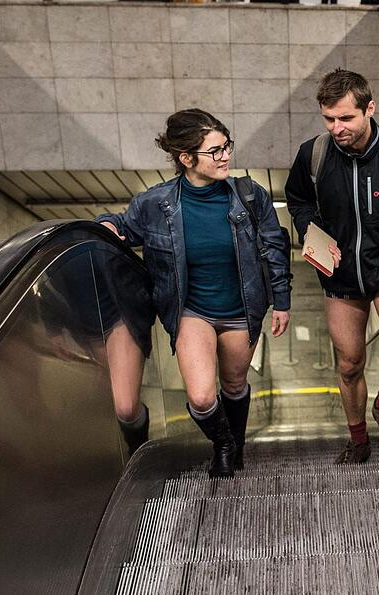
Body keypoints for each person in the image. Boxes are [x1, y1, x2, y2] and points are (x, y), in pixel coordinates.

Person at [96, 109, 292, 477]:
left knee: (234, 384)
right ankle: (223, 443)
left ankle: (237, 447)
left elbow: (274, 248)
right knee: (202, 397)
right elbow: (123, 225)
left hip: (241, 309)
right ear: (186, 159)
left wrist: (281, 300)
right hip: (192, 311)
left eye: (226, 147)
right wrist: (104, 225)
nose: (225, 157)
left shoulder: (250, 197)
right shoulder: (156, 204)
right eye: (214, 151)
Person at [285, 69, 379, 464]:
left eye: (346, 118)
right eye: (329, 119)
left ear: (369, 108)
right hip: (340, 277)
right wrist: (311, 233)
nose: (336, 128)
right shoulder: (313, 155)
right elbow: (298, 201)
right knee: (350, 363)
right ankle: (358, 440)